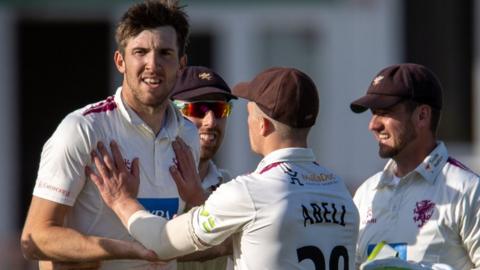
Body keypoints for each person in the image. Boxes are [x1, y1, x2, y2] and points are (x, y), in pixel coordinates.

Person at [87, 67, 360, 269]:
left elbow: (161, 241)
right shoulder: (341, 192)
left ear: (263, 125)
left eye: (225, 110)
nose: (210, 121)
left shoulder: (249, 191)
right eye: (198, 108)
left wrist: (122, 201)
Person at [20, 1, 200, 269]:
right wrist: (126, 251)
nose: (153, 64)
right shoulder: (83, 128)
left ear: (182, 65)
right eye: (140, 52)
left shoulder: (187, 134)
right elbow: (35, 238)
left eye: (165, 53)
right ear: (120, 61)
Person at [350, 63, 480, 269]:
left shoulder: (469, 190)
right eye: (373, 113)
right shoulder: (365, 194)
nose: (373, 125)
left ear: (422, 116)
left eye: (385, 112)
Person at [171, 66, 237, 269]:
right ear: (169, 112)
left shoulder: (232, 188)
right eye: (198, 109)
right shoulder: (146, 181)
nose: (210, 121)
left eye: (219, 110)